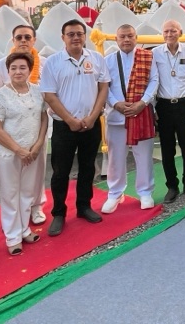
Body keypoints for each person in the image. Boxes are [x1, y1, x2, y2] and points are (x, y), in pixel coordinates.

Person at [40, 19, 110, 236]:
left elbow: (103, 88)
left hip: (91, 124)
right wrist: (69, 120)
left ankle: (84, 206)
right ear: (63, 38)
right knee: (61, 171)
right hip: (64, 126)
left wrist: (93, 116)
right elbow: (49, 95)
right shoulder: (53, 62)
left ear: (85, 36)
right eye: (71, 34)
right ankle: (59, 213)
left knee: (88, 167)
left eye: (79, 33)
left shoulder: (96, 59)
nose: (76, 38)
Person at [0, 52, 49, 255]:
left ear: (30, 70)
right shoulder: (1, 95)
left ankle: (24, 229)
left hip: (32, 151)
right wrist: (18, 150)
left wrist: (38, 144)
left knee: (28, 191)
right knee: (11, 193)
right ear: (8, 71)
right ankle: (12, 236)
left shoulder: (37, 91)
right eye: (13, 68)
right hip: (9, 152)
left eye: (22, 67)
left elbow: (44, 118)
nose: (18, 72)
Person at [0, 24, 49, 226]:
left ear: (34, 40)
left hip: (38, 124)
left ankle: (36, 206)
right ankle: (14, 217)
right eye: (19, 37)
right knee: (12, 177)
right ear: (13, 40)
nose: (23, 40)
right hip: (11, 128)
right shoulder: (1, 65)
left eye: (27, 37)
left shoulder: (45, 64)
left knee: (37, 169)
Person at [103, 24, 159, 213]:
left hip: (141, 114)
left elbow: (154, 80)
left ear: (136, 38)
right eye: (122, 36)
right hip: (116, 115)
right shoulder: (108, 60)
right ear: (116, 39)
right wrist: (115, 104)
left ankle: (145, 192)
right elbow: (104, 86)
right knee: (116, 157)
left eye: (130, 36)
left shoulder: (147, 57)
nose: (126, 39)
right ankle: (115, 193)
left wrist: (142, 102)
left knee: (144, 156)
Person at [152, 19, 185, 203]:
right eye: (166, 31)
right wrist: (152, 106)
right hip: (163, 106)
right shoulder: (155, 53)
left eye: (173, 31)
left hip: (184, 105)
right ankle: (172, 186)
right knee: (167, 148)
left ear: (180, 33)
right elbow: (152, 81)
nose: (169, 34)